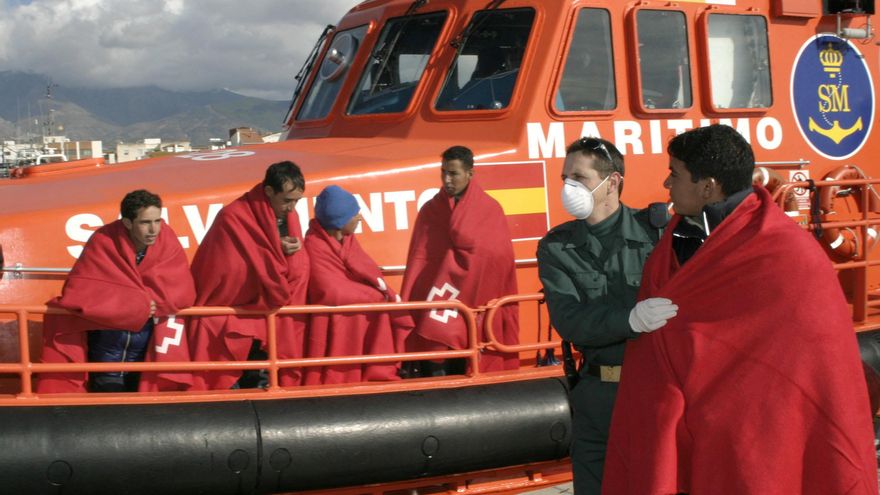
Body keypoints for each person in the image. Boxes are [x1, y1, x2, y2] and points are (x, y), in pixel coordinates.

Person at [603, 124, 879, 494]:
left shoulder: (786, 253)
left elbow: (809, 364)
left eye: (675, 173)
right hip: (693, 426)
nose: (667, 184)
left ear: (707, 187)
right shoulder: (676, 241)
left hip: (761, 436)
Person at [536, 137, 676, 494]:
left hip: (653, 391)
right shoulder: (557, 247)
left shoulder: (658, 232)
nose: (568, 187)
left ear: (611, 182)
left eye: (578, 178)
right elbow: (570, 321)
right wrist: (630, 319)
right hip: (597, 399)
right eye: (565, 177)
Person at [37, 190, 196, 393]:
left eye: (158, 221)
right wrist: (136, 306)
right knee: (111, 411)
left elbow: (183, 290)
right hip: (106, 357)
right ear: (128, 223)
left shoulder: (168, 241)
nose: (154, 229)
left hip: (149, 356)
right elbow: (79, 292)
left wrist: (150, 302)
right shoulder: (103, 241)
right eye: (145, 222)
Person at [188, 161, 310, 389]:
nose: (291, 208)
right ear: (269, 191)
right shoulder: (233, 217)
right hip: (231, 313)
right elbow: (226, 269)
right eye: (286, 200)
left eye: (296, 201)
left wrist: (283, 254)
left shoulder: (289, 217)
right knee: (229, 379)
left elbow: (294, 264)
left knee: (262, 377)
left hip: (268, 314)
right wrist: (275, 252)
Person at [401, 145, 519, 375]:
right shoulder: (430, 211)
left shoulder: (489, 210)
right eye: (443, 172)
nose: (446, 179)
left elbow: (497, 261)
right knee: (435, 369)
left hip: (474, 307)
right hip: (437, 308)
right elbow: (420, 261)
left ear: (470, 174)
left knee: (465, 366)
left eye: (453, 173)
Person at [302, 185, 414, 384]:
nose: (360, 217)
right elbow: (330, 291)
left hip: (359, 317)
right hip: (336, 322)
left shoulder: (349, 241)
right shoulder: (314, 245)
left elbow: (368, 272)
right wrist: (376, 297)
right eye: (355, 214)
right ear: (339, 221)